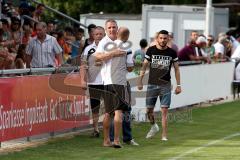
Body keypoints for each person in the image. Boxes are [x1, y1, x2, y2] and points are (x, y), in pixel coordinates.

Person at [138, 30, 181, 140]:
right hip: (152, 84)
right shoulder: (151, 50)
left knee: (164, 110)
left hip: (165, 85)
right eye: (161, 38)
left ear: (168, 39)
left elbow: (176, 69)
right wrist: (140, 80)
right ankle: (153, 126)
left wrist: (179, 85)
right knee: (149, 111)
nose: (162, 40)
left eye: (165, 38)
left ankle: (164, 135)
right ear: (157, 38)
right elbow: (144, 66)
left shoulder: (172, 52)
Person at [94, 19, 129, 148]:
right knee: (111, 112)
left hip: (119, 80)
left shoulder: (125, 44)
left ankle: (115, 140)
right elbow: (97, 57)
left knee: (116, 112)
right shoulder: (104, 41)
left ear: (117, 28)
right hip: (108, 81)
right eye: (109, 28)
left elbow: (130, 66)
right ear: (105, 30)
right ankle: (109, 140)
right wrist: (113, 54)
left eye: (114, 27)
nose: (112, 30)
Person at [109, 27, 139, 146]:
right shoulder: (127, 48)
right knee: (125, 110)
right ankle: (126, 138)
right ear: (127, 36)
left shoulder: (108, 46)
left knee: (112, 111)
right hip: (121, 82)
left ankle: (112, 138)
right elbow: (130, 67)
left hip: (108, 81)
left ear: (117, 34)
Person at [81, 26, 105, 137]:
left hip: (107, 81)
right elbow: (83, 65)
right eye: (97, 34)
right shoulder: (88, 49)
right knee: (95, 107)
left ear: (104, 34)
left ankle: (108, 129)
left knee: (108, 107)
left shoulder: (110, 48)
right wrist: (82, 80)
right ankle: (96, 130)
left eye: (101, 34)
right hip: (93, 82)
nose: (99, 36)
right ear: (93, 35)